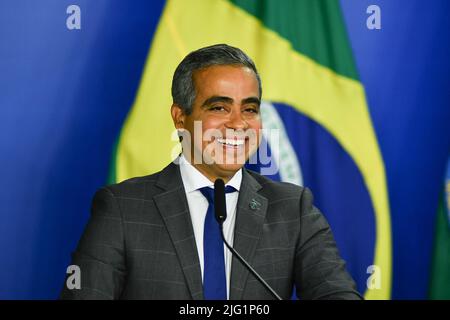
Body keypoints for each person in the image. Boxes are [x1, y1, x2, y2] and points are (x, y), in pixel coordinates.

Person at [61, 44, 362, 300]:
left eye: (250, 109)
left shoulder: (293, 209)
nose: (238, 124)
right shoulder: (123, 208)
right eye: (219, 108)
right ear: (180, 118)